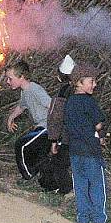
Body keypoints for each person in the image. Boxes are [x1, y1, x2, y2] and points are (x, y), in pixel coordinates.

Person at [64, 62, 108, 223]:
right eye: (91, 81)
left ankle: (83, 217)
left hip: (75, 152)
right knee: (97, 185)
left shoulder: (69, 102)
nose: (95, 84)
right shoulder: (89, 102)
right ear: (79, 83)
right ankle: (99, 218)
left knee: (80, 185)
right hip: (91, 151)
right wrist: (99, 133)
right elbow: (98, 124)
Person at [5, 61, 52, 180]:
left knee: (21, 145)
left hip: (47, 127)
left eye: (10, 79)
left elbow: (52, 105)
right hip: (41, 127)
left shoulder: (34, 89)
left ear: (21, 77)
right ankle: (46, 180)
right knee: (39, 155)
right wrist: (11, 118)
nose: (7, 82)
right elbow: (21, 106)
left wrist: (56, 127)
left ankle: (27, 175)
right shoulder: (25, 91)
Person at [39, 54, 76, 194]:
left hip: (66, 137)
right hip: (77, 135)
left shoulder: (63, 93)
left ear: (60, 76)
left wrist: (54, 140)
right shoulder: (79, 91)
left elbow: (56, 117)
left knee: (59, 163)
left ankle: (65, 189)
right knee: (63, 162)